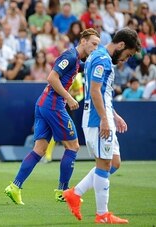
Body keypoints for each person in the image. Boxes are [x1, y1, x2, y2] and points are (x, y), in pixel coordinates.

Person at [4, 28, 100, 205]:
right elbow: (52, 77)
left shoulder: (76, 60)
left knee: (39, 149)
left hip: (43, 104)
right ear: (84, 41)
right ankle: (62, 191)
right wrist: (69, 97)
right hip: (53, 105)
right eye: (93, 44)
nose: (95, 47)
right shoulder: (70, 56)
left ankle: (15, 186)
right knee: (73, 146)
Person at [63, 28, 141, 224]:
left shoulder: (100, 57)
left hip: (103, 114)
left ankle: (75, 193)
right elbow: (95, 92)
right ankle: (102, 213)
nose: (125, 59)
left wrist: (113, 115)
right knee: (105, 164)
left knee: (114, 162)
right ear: (121, 45)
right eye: (127, 55)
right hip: (97, 119)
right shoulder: (102, 59)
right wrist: (105, 119)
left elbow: (101, 92)